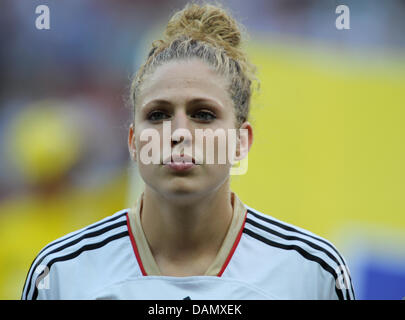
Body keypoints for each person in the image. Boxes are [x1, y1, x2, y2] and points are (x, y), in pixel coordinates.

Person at [22, 2, 355, 300]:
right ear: (134, 142)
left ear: (241, 142)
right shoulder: (60, 274)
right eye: (159, 115)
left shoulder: (314, 273)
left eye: (203, 114)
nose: (180, 132)